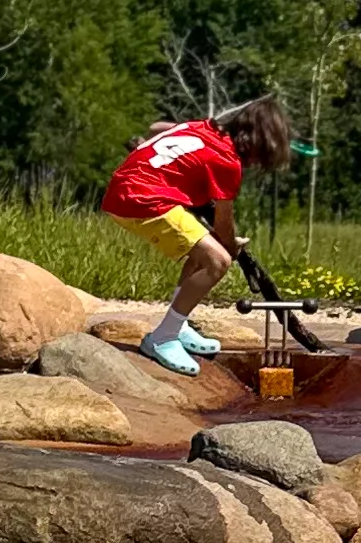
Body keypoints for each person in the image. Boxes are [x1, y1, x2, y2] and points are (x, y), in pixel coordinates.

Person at [97, 96, 298, 377]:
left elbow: (156, 128)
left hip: (126, 189)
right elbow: (224, 222)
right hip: (142, 200)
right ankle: (163, 338)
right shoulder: (227, 160)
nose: (255, 164)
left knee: (202, 251)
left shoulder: (201, 128)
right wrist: (231, 246)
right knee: (218, 261)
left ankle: (178, 326)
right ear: (256, 144)